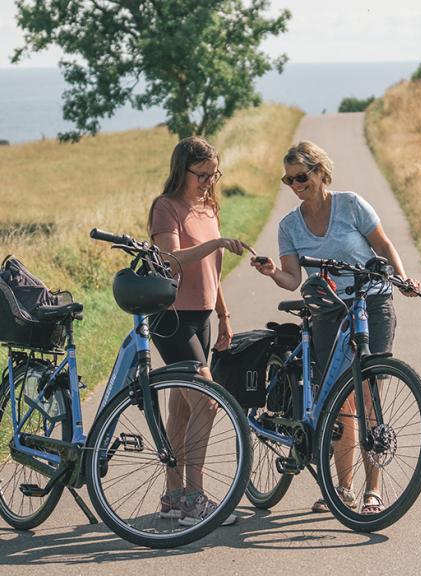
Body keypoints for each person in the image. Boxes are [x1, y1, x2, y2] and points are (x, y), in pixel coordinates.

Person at [251, 140, 420, 515]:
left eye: (302, 176)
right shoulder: (289, 226)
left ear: (320, 172)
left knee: (367, 392)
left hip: (371, 302)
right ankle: (343, 489)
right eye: (289, 179)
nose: (296, 185)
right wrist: (272, 272)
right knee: (343, 399)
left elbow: (384, 245)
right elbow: (292, 279)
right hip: (328, 311)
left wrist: (402, 278)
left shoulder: (351, 205)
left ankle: (372, 492)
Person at [148, 136, 250, 526]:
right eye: (202, 174)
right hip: (172, 318)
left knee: (181, 408)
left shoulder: (209, 207)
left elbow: (214, 273)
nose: (209, 181)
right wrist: (217, 242)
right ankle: (194, 498)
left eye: (214, 173)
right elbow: (172, 263)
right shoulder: (166, 208)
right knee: (207, 402)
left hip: (202, 316)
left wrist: (224, 315)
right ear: (182, 170)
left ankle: (173, 497)